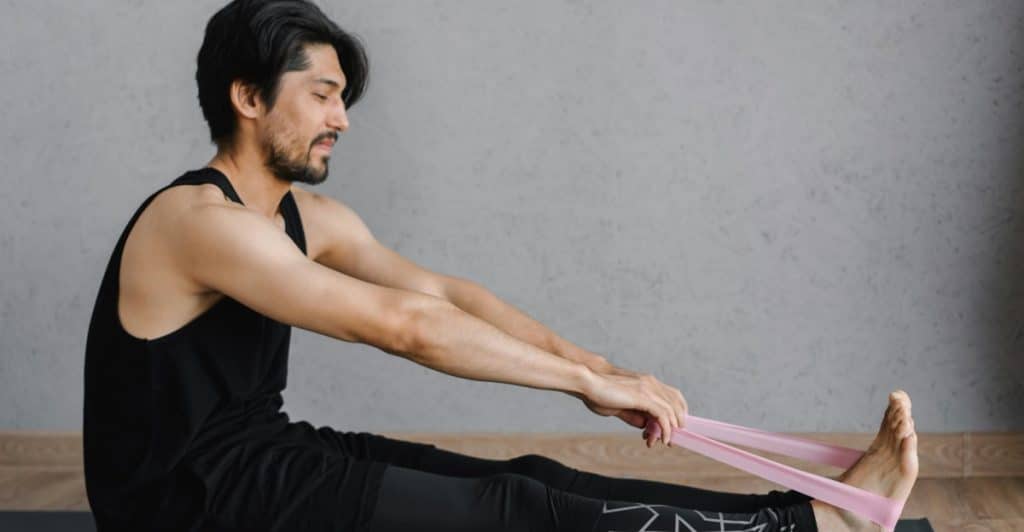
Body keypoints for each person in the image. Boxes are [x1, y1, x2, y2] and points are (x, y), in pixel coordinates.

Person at [82, 0, 918, 530]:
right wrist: (584, 387)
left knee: (531, 475)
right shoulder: (197, 222)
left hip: (263, 457)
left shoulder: (308, 218)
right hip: (186, 503)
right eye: (324, 94)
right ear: (249, 96)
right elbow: (406, 326)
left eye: (344, 98)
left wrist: (593, 365)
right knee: (515, 512)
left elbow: (445, 293)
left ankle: (809, 517)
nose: (343, 118)